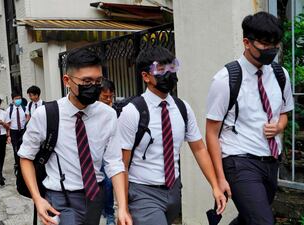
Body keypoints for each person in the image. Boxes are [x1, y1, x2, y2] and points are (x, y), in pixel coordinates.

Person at [18, 49, 132, 225]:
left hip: (95, 196)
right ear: (67, 81)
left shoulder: (108, 115)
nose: (93, 86)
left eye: (97, 81)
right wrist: (37, 199)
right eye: (86, 81)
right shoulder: (46, 114)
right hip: (60, 199)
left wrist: (122, 208)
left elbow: (114, 163)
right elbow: (26, 157)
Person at [117, 46, 226, 225]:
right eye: (161, 70)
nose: (168, 74)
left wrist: (215, 186)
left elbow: (199, 148)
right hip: (143, 194)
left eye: (172, 68)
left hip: (173, 191)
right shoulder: (132, 112)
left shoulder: (182, 108)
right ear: (145, 76)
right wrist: (122, 206)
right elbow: (122, 163)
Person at [206, 12, 294, 225]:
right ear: (246, 42)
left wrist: (279, 127)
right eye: (265, 44)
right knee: (263, 222)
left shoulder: (281, 75)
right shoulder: (226, 79)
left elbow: (284, 113)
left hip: (271, 160)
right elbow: (211, 133)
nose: (271, 50)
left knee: (249, 219)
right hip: (239, 161)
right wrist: (219, 179)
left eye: (275, 44)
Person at [99, 79, 116, 225]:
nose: (108, 99)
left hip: (108, 154)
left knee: (109, 183)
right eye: (105, 97)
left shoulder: (113, 111)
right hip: (92, 155)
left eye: (111, 96)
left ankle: (109, 213)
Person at [6, 92, 26, 171]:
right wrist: (8, 135)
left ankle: (23, 164)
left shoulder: (25, 108)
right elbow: (8, 123)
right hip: (13, 131)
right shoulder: (9, 110)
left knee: (23, 148)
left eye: (19, 98)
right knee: (15, 149)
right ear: (13, 100)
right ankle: (17, 163)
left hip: (23, 131)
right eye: (16, 99)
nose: (18, 100)